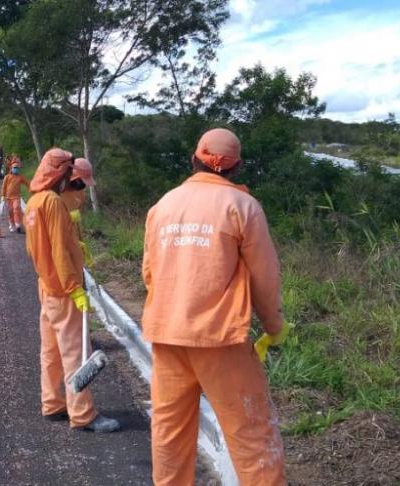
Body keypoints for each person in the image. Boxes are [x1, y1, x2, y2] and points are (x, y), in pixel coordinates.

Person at [141, 128, 289, 484]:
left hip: (167, 334)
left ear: (194, 159)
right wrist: (274, 327)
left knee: (170, 432)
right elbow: (265, 279)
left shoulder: (163, 205)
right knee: (252, 434)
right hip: (221, 339)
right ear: (236, 166)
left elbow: (149, 272)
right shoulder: (243, 207)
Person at [25, 148, 120, 433]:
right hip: (64, 292)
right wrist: (73, 288)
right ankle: (82, 414)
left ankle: (52, 403)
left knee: (51, 351)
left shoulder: (35, 201)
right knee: (75, 353)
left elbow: (36, 249)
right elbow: (58, 251)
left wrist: (75, 245)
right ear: (63, 173)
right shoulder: (53, 202)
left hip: (47, 287)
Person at [61, 157, 95, 267]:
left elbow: (77, 224)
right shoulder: (55, 193)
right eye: (80, 181)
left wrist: (81, 243)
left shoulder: (80, 194)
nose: (81, 186)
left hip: (74, 241)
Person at [0, 156, 30, 233]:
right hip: (8, 198)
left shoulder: (20, 177)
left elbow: (27, 183)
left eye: (16, 168)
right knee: (10, 212)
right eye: (14, 168)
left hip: (16, 197)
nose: (15, 169)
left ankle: (18, 225)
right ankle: (12, 224)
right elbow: (3, 187)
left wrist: (33, 188)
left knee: (16, 209)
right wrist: (2, 196)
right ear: (11, 168)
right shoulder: (7, 177)